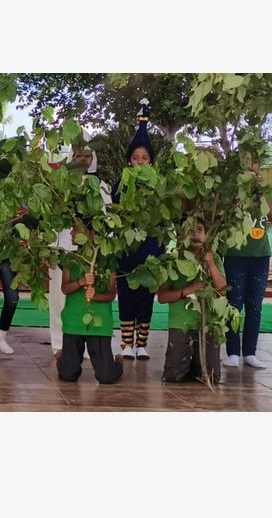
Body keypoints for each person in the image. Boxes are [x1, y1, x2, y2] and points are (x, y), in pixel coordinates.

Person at [48, 145, 112, 359]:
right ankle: (59, 343)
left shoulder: (102, 187)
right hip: (64, 248)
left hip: (92, 252)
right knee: (59, 296)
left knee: (90, 294)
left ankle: (89, 343)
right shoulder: (61, 185)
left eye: (87, 156)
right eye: (78, 156)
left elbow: (108, 220)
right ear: (71, 157)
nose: (83, 160)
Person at [112, 101, 162, 360]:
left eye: (145, 158)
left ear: (150, 161)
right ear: (129, 161)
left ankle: (142, 344)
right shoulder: (121, 183)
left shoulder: (159, 185)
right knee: (127, 296)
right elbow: (116, 213)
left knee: (146, 297)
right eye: (136, 158)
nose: (140, 162)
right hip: (126, 250)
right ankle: (126, 345)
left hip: (151, 249)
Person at [223, 157, 272, 369]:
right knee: (233, 304)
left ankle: (250, 353)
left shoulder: (266, 190)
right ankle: (233, 352)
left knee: (254, 305)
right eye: (246, 161)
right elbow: (225, 215)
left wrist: (263, 192)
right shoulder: (232, 189)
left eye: (254, 162)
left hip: (260, 256)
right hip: (236, 255)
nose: (250, 166)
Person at [158, 221, 227, 383]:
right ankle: (185, 365)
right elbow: (162, 297)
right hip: (181, 323)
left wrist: (210, 264)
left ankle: (194, 365)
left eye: (200, 229)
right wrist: (187, 290)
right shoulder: (172, 260)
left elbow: (222, 290)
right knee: (173, 376)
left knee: (211, 377)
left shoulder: (214, 257)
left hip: (208, 323)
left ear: (207, 235)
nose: (195, 233)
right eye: (190, 230)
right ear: (181, 237)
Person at [56, 249, 122, 384]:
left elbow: (111, 294)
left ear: (91, 232)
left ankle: (118, 362)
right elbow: (65, 289)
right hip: (74, 322)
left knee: (106, 377)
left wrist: (95, 296)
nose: (72, 233)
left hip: (99, 323)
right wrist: (81, 282)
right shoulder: (70, 258)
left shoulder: (108, 259)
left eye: (76, 229)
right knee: (68, 375)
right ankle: (62, 357)